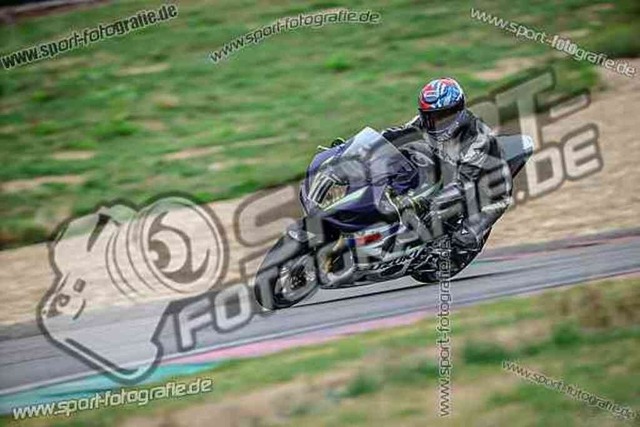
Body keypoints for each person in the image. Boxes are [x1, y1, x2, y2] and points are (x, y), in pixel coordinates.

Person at [381, 77, 513, 281]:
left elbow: (464, 186)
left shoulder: (477, 139)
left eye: (442, 116)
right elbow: (397, 134)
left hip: (487, 191)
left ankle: (459, 240)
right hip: (449, 169)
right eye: (430, 116)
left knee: (463, 235)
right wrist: (364, 145)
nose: (436, 121)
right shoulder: (424, 123)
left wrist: (423, 202)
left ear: (458, 111)